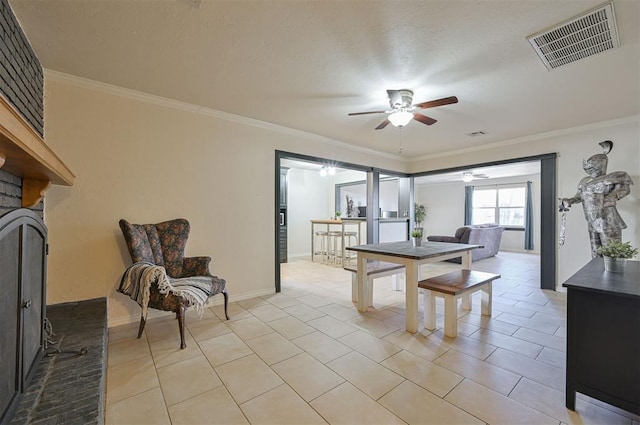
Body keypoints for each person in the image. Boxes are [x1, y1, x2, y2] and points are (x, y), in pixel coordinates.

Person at [559, 141, 633, 258]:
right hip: (592, 221)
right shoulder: (584, 181)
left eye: (592, 166)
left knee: (612, 256)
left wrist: (612, 197)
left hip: (608, 220)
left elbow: (625, 188)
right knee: (595, 254)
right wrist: (568, 201)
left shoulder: (612, 177)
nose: (589, 169)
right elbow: (578, 196)